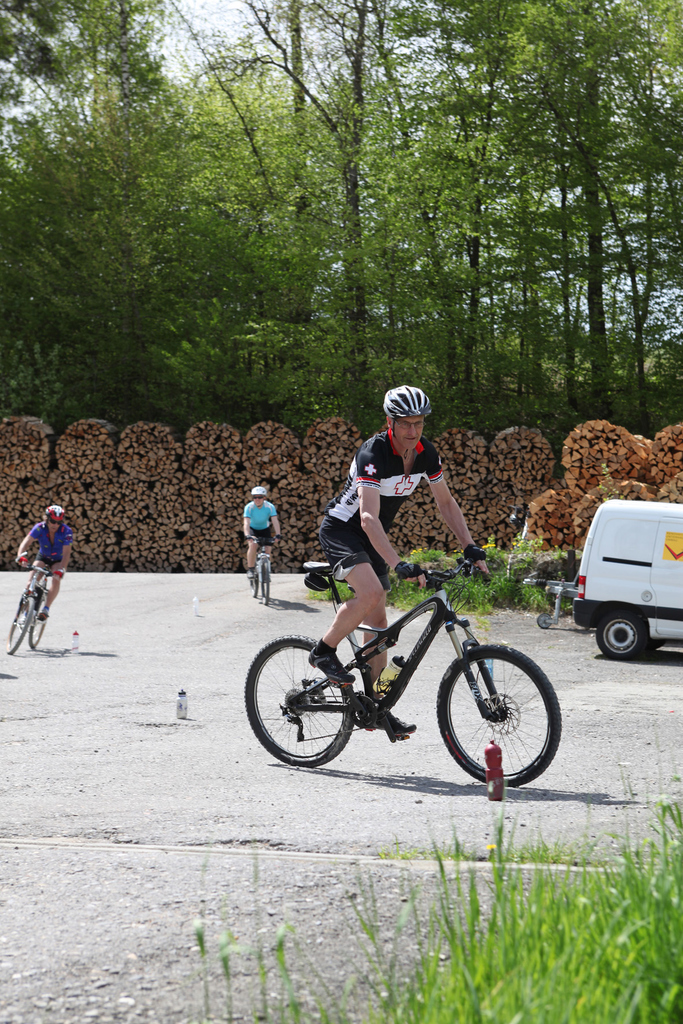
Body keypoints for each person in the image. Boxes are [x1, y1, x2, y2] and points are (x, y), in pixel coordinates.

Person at [309, 385, 488, 739]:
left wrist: (469, 545)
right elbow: (367, 518)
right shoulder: (372, 453)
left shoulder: (426, 453)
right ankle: (323, 652)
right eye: (405, 423)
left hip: (372, 536)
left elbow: (446, 503)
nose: (412, 430)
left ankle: (374, 707)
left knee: (379, 625)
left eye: (418, 423)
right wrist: (397, 563)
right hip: (343, 530)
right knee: (371, 593)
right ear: (390, 422)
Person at [16, 504, 73, 621]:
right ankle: (26, 614)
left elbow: (67, 553)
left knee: (56, 579)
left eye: (59, 522)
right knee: (30, 583)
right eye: (53, 521)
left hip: (58, 559)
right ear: (47, 519)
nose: (55, 525)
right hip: (43, 557)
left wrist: (61, 569)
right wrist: (21, 556)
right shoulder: (39, 527)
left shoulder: (67, 531)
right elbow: (25, 542)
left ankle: (46, 608)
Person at [243, 486, 282, 579]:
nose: (257, 499)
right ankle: (251, 569)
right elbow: (246, 522)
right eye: (255, 497)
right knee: (253, 545)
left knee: (268, 549)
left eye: (260, 497)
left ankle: (266, 571)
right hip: (253, 530)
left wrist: (278, 534)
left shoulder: (270, 507)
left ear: (264, 497)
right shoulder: (249, 507)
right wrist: (247, 535)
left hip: (265, 529)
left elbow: (275, 521)